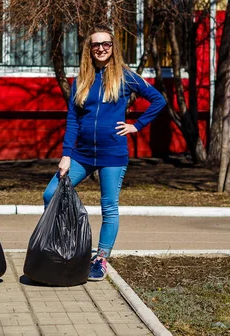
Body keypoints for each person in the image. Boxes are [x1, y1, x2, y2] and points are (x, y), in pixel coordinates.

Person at [43, 24, 166, 281]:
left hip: (113, 154)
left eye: (105, 44)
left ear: (113, 47)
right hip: (82, 154)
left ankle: (100, 259)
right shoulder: (81, 80)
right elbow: (73, 120)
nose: (101, 48)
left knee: (108, 206)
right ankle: (68, 244)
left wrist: (136, 126)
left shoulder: (125, 77)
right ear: (89, 49)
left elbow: (158, 100)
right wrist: (66, 154)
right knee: (51, 193)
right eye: (96, 44)